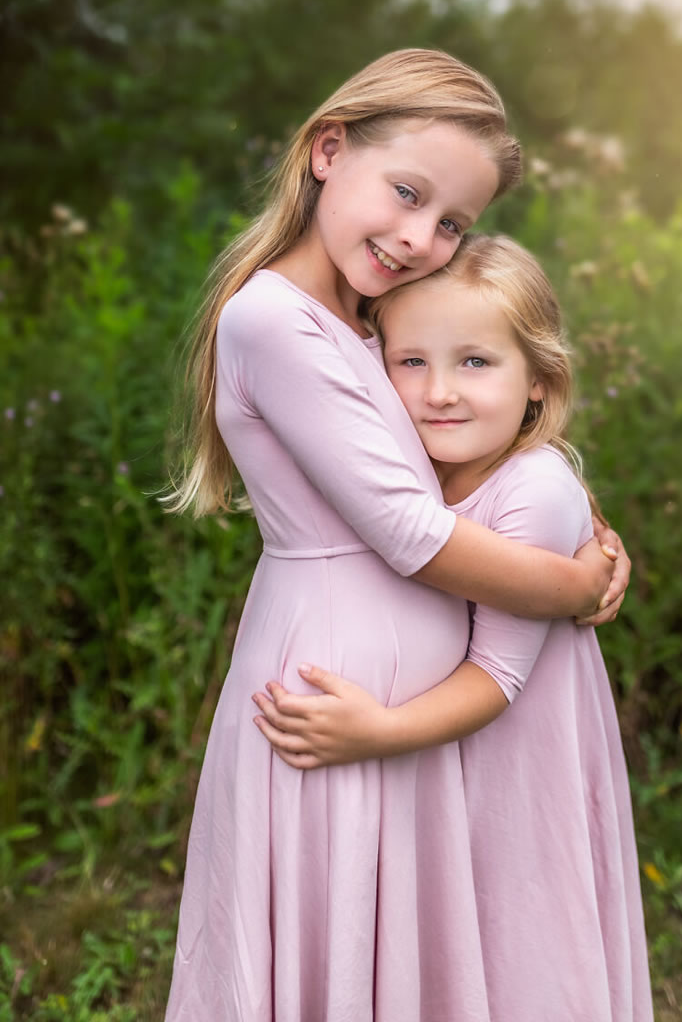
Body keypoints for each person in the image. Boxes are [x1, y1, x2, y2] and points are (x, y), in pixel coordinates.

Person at [164, 50, 629, 1022]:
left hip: (407, 705)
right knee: (328, 937)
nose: (419, 237)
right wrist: (568, 584)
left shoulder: (370, 310)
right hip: (338, 675)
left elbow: (455, 454)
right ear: (328, 149)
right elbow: (410, 529)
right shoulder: (270, 320)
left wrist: (576, 520)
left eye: (450, 220)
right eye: (406, 193)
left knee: (402, 961)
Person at [254, 234, 653, 1021]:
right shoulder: (409, 471)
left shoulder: (532, 489)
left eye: (476, 362)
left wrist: (379, 730)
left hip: (514, 763)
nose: (440, 391)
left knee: (521, 947)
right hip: (451, 764)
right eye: (411, 362)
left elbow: (500, 677)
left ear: (539, 382)